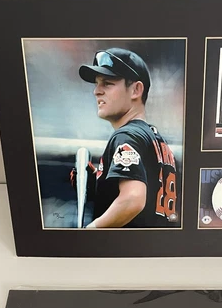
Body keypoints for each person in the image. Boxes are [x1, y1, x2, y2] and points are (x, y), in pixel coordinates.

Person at [76, 48, 179, 228]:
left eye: (107, 83)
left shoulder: (126, 136)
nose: (97, 91)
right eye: (96, 83)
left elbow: (133, 199)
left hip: (127, 249)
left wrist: (89, 232)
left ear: (135, 90)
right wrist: (99, 181)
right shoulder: (157, 140)